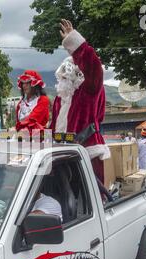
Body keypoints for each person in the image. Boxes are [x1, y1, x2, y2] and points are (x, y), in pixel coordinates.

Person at [50, 19, 110, 183]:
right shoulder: (60, 98)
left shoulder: (89, 89)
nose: (63, 77)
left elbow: (93, 66)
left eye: (66, 74)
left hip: (86, 153)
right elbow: (52, 128)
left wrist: (74, 43)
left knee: (89, 200)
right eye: (62, 75)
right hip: (61, 155)